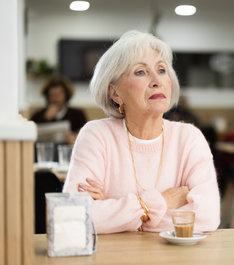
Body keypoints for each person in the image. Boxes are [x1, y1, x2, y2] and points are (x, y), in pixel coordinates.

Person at [62, 30, 220, 234]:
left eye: (162, 70)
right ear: (115, 93)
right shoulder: (96, 135)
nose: (157, 80)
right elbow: (74, 216)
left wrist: (113, 213)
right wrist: (160, 202)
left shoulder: (189, 138)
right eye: (140, 72)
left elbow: (207, 216)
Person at [31, 75, 87, 145]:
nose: (55, 99)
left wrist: (75, 138)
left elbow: (86, 137)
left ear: (66, 96)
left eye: (58, 95)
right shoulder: (37, 116)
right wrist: (45, 118)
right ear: (47, 97)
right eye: (52, 95)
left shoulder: (78, 115)